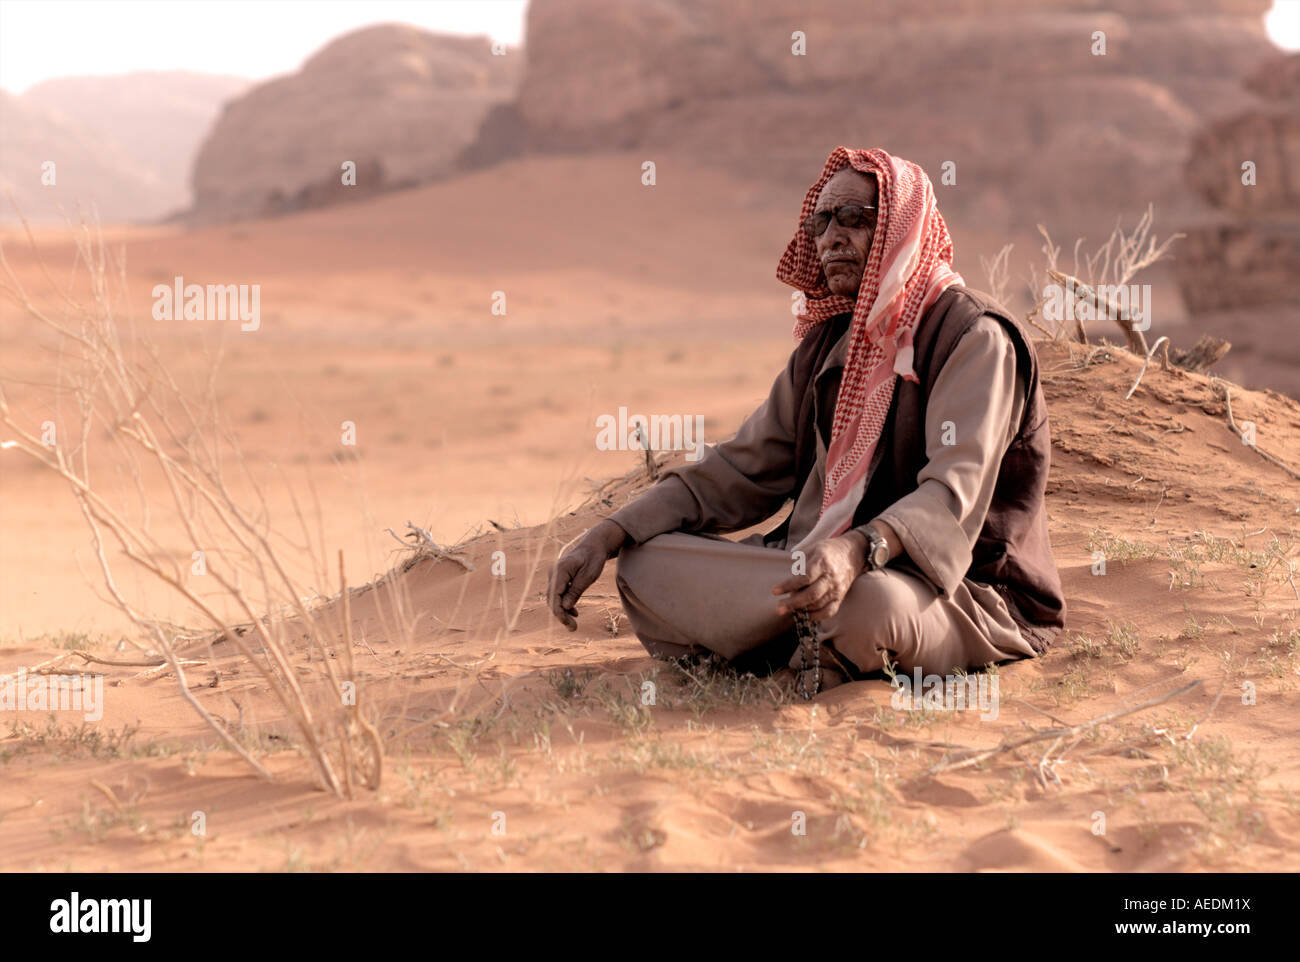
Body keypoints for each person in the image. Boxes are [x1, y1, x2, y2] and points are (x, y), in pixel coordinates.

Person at [547, 147, 1066, 696]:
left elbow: (949, 494)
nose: (829, 239)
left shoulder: (972, 338)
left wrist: (856, 551)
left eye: (852, 218)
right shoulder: (827, 345)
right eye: (820, 222)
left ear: (898, 224)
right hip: (818, 568)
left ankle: (793, 635)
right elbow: (739, 469)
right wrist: (609, 532)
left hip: (957, 593)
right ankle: (803, 632)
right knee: (644, 564)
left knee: (869, 605)